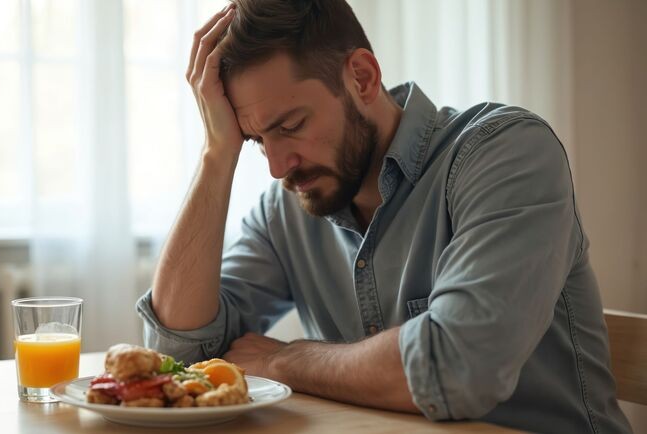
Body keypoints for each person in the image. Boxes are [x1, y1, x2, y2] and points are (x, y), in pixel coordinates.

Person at [134, 1, 632, 432]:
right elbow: (177, 351)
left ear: (363, 77)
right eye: (256, 140)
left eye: (291, 125)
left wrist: (282, 359)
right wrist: (216, 153)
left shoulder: (504, 153)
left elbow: (461, 368)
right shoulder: (288, 206)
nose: (277, 166)